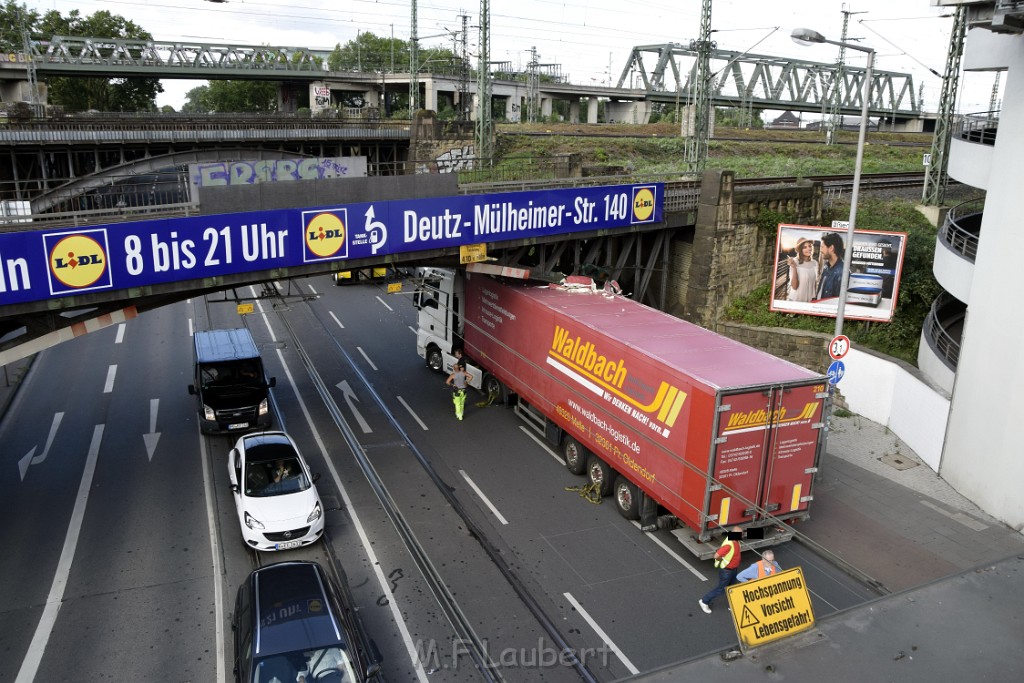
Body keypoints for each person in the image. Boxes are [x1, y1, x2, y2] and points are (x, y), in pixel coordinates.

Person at [698, 526, 743, 614]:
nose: (742, 535)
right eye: (740, 534)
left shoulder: (735, 540)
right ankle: (704, 601)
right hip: (727, 571)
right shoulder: (728, 545)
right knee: (721, 589)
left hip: (733, 569)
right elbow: (716, 556)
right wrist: (720, 561)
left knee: (732, 588)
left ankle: (732, 604)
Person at [786, 237, 818, 303]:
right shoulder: (794, 262)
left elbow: (814, 283)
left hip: (809, 302)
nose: (809, 248)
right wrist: (794, 268)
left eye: (809, 246)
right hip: (796, 300)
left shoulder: (815, 263)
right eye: (804, 247)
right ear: (800, 250)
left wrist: (814, 297)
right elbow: (794, 287)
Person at [816, 232, 845, 301]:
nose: (821, 250)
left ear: (831, 248)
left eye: (822, 247)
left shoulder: (842, 272)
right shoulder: (827, 265)